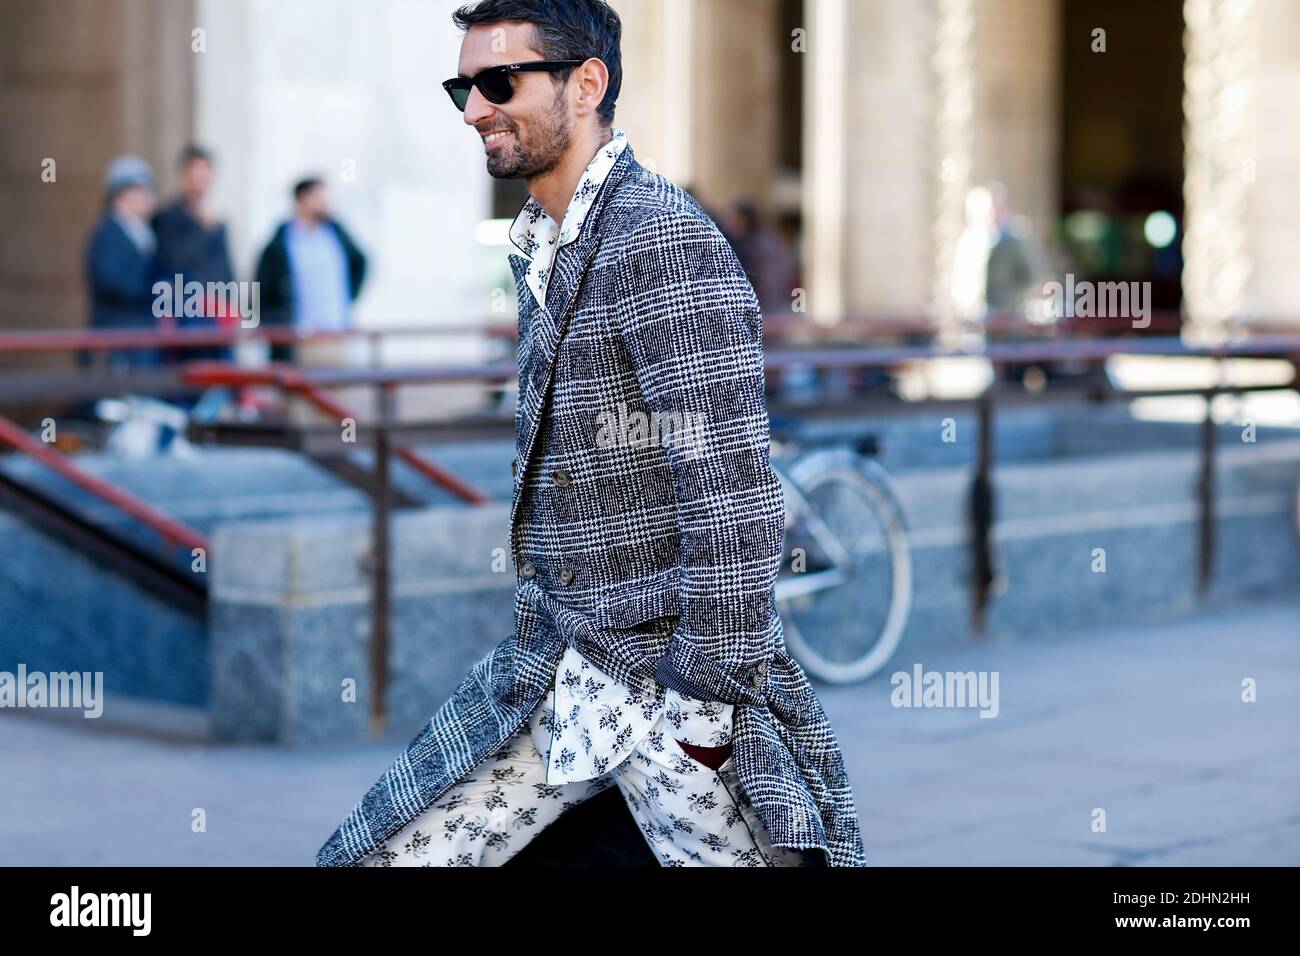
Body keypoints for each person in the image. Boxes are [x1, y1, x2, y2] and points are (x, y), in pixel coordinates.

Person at [316, 0, 865, 869]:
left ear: (587, 84)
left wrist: (697, 711)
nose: (472, 108)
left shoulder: (660, 240)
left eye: (500, 81)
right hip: (558, 671)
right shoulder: (545, 247)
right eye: (462, 85)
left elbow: (733, 501)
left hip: (665, 701)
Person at [254, 178, 367, 364]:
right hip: (298, 341)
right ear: (302, 199)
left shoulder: (335, 235)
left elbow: (360, 263)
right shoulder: (280, 243)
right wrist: (274, 328)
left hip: (335, 336)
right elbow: (260, 291)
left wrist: (349, 297)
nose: (326, 203)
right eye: (319, 197)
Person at [152, 144, 238, 364]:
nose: (201, 180)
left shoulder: (217, 222)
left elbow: (225, 270)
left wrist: (234, 306)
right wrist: (203, 228)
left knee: (224, 381)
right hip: (186, 319)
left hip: (218, 319)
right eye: (196, 173)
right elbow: (173, 260)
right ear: (183, 176)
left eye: (206, 174)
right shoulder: (166, 218)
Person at [84, 154, 164, 374]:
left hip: (140, 338)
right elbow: (115, 283)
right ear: (121, 195)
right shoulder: (108, 233)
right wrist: (156, 290)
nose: (147, 198)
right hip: (117, 338)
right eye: (140, 191)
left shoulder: (143, 233)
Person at [727, 199, 800, 317]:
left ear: (745, 219)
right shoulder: (751, 242)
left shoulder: (760, 245)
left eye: (736, 219)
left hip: (769, 305)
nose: (732, 223)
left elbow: (770, 278)